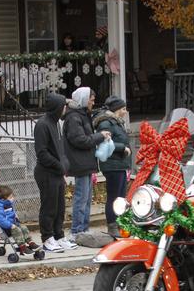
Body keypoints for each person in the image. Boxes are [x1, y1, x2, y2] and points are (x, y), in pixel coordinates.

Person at [63, 86, 109, 245]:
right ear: (83, 99)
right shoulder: (74, 117)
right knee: (81, 198)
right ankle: (77, 231)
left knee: (87, 198)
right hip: (80, 162)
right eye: (91, 99)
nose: (93, 102)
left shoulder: (82, 115)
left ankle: (83, 228)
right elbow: (79, 139)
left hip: (85, 161)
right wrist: (99, 137)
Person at [32, 93, 71, 253]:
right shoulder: (42, 125)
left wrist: (65, 165)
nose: (65, 108)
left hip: (57, 172)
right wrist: (59, 165)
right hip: (46, 172)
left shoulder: (56, 123)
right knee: (49, 206)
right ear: (57, 107)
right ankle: (47, 237)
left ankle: (58, 235)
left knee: (60, 206)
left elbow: (60, 149)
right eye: (63, 105)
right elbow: (42, 153)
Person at [93, 95, 131, 238]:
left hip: (119, 164)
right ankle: (112, 225)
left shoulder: (115, 122)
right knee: (114, 196)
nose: (125, 111)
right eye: (123, 108)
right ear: (116, 110)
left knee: (120, 197)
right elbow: (104, 142)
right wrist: (123, 148)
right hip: (112, 165)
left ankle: (119, 223)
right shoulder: (106, 123)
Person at [0, 185, 39, 254]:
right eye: (10, 197)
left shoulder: (7, 203)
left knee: (23, 227)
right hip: (5, 229)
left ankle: (30, 243)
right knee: (17, 230)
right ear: (3, 199)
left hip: (12, 225)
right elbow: (0, 219)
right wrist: (10, 225)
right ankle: (22, 247)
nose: (13, 198)